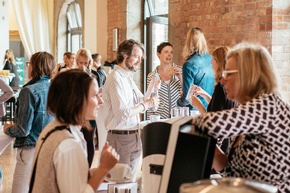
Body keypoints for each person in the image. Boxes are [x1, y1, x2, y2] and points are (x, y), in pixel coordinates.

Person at [191, 42, 290, 193]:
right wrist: (213, 150)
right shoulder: (249, 111)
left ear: (248, 75)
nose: (222, 80)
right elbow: (232, 174)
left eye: (228, 73)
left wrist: (182, 124)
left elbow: (210, 124)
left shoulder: (268, 105)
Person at [29, 69, 119, 193]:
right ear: (76, 100)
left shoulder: (55, 128)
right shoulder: (68, 143)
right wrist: (103, 169)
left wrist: (92, 173)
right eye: (94, 95)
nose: (100, 101)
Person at [102, 39, 159, 181]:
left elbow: (141, 100)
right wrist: (146, 105)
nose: (139, 61)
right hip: (119, 138)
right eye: (136, 57)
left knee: (130, 183)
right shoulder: (115, 79)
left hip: (134, 135)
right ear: (124, 55)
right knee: (119, 184)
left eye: (141, 58)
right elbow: (122, 114)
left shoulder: (127, 77)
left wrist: (153, 89)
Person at [3, 52, 55, 193]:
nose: (28, 67)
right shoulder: (55, 89)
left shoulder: (29, 91)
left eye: (29, 64)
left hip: (30, 148)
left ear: (35, 67)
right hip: (49, 148)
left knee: (20, 190)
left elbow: (23, 129)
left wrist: (7, 128)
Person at [190, 47, 237, 155]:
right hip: (227, 138)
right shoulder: (229, 86)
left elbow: (212, 121)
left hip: (219, 143)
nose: (211, 61)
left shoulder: (221, 87)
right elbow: (220, 107)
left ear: (219, 63)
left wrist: (199, 105)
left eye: (214, 59)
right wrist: (205, 94)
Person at [177, 27, 215, 110]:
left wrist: (179, 102)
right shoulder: (211, 59)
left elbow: (187, 99)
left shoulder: (189, 64)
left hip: (195, 111)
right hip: (211, 106)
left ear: (188, 42)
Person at [146, 42, 182, 119]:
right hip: (159, 119)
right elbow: (150, 100)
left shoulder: (180, 71)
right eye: (166, 52)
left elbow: (188, 93)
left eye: (171, 52)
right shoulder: (151, 76)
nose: (169, 55)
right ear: (158, 54)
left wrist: (180, 77)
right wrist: (150, 121)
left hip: (177, 118)